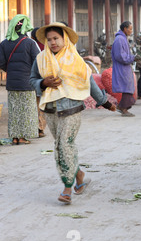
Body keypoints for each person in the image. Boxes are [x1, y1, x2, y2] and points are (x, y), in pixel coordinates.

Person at [30, 22, 116, 204]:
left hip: (72, 109)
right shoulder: (40, 59)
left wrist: (105, 103)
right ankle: (80, 176)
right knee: (60, 147)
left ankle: (67, 187)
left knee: (66, 145)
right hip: (50, 110)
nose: (53, 42)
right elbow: (32, 80)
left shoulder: (76, 61)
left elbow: (89, 83)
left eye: (56, 38)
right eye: (50, 39)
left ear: (64, 39)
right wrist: (43, 83)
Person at [0, 14, 40, 145]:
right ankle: (23, 137)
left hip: (12, 82)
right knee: (27, 110)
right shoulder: (29, 43)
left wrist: (11, 71)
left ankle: (15, 137)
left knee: (14, 110)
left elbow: (1, 63)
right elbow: (37, 61)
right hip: (27, 82)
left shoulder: (4, 43)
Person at [111, 21, 136, 117]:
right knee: (126, 87)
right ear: (125, 29)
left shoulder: (123, 38)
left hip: (125, 67)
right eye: (130, 29)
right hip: (122, 67)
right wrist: (132, 58)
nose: (131, 31)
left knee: (128, 86)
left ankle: (123, 106)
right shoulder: (119, 39)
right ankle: (123, 108)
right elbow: (120, 56)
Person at [31, 27, 47, 137]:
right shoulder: (47, 47)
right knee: (42, 105)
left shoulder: (31, 45)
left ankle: (35, 127)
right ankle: (40, 128)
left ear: (32, 37)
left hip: (34, 79)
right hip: (44, 80)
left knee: (34, 105)